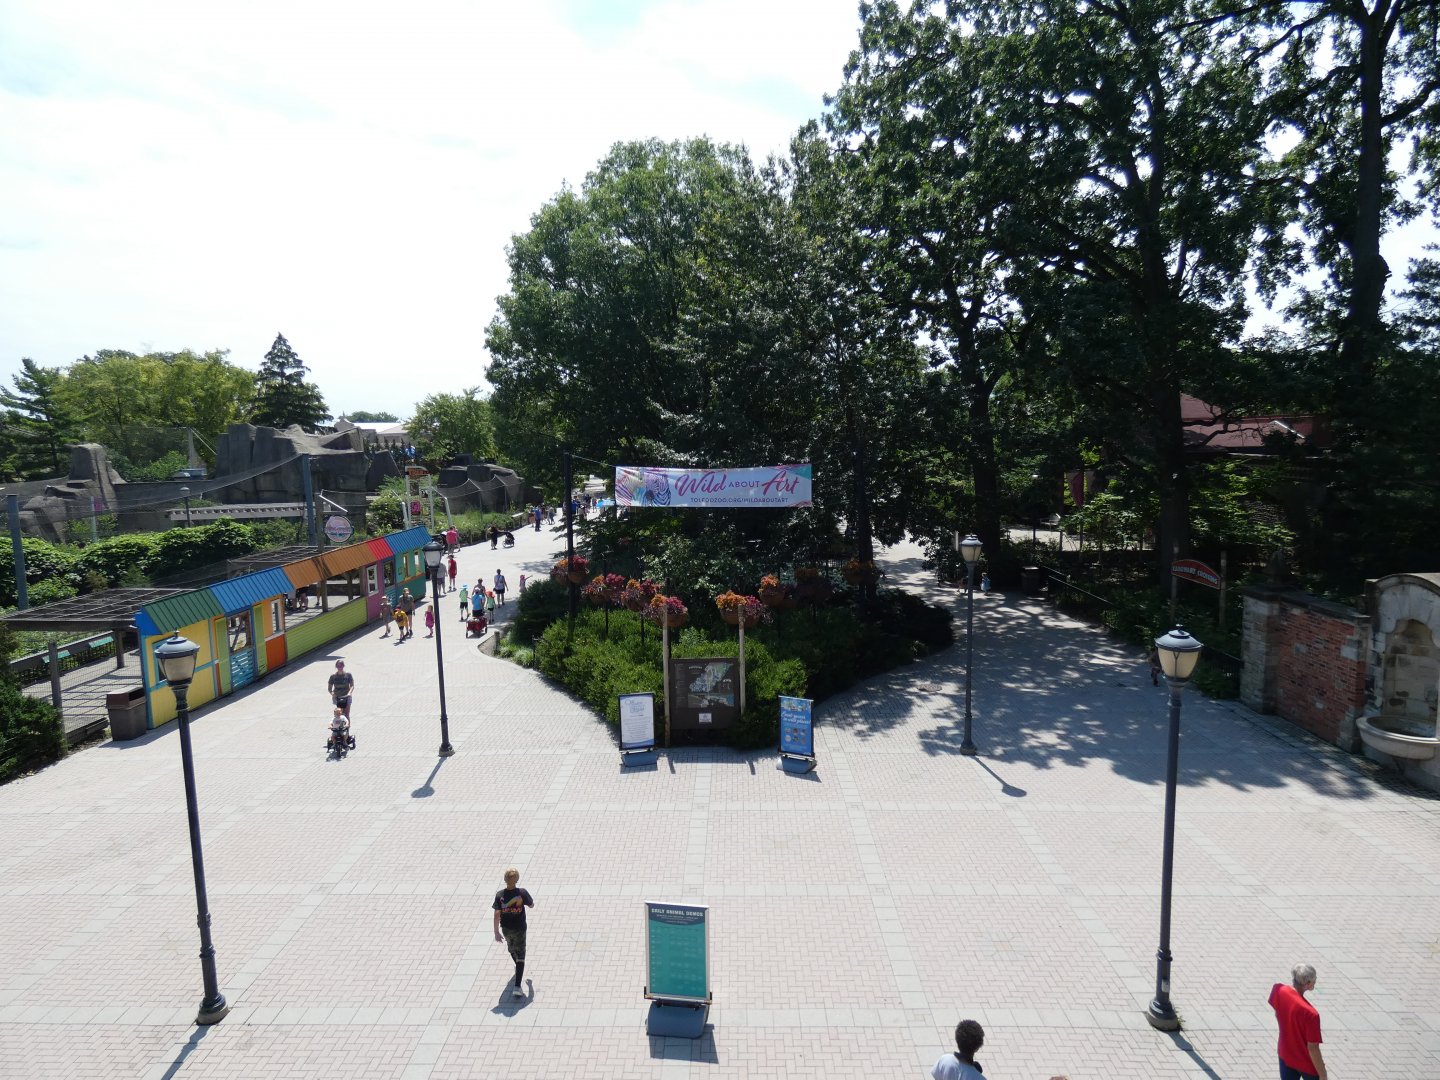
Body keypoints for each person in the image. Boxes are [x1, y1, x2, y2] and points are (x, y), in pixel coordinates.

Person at [1270, 964, 1327, 1080]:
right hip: (1306, 1063)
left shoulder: (1278, 990)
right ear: (1308, 984)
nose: (1315, 982)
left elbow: (1277, 1013)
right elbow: (1313, 1048)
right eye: (1314, 980)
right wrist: (1323, 1075)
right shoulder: (1311, 1014)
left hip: (1285, 1053)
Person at [492, 867, 534, 999]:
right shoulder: (522, 893)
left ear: (505, 880)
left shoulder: (500, 895)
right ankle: (517, 986)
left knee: (511, 949)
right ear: (517, 880)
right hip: (520, 928)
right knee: (521, 955)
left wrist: (496, 932)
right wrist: (531, 987)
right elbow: (532, 905)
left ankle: (518, 967)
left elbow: (497, 914)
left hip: (506, 928)